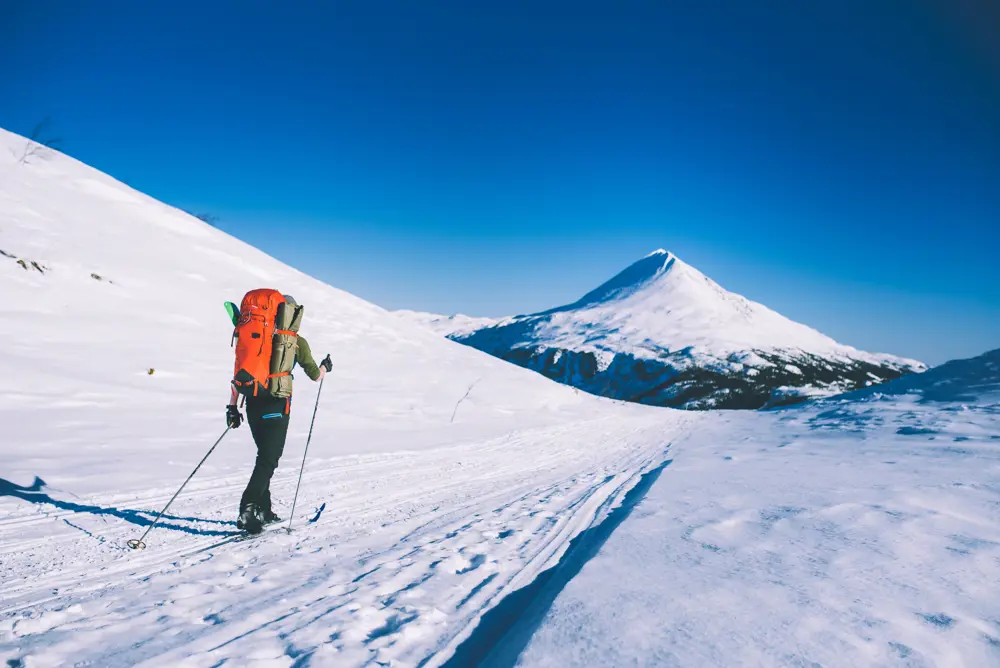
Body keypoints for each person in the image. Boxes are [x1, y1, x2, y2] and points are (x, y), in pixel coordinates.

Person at [225, 295, 332, 532]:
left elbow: (238, 373)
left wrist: (232, 407)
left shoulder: (253, 338)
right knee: (268, 459)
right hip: (276, 405)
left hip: (252, 402)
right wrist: (325, 367)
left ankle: (264, 510)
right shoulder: (294, 341)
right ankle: (248, 506)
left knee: (264, 456)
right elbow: (316, 375)